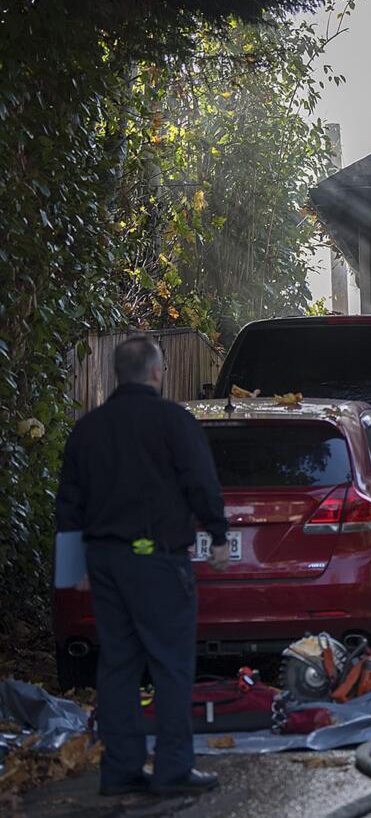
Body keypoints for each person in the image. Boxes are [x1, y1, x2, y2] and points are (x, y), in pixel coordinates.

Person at [55, 336, 230, 797]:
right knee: (171, 664)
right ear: (156, 373)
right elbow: (200, 480)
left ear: (117, 374)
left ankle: (121, 770)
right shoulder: (172, 421)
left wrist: (73, 572)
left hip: (104, 561)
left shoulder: (87, 429)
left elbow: (68, 503)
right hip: (157, 559)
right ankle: (173, 769)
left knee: (117, 665)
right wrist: (216, 533)